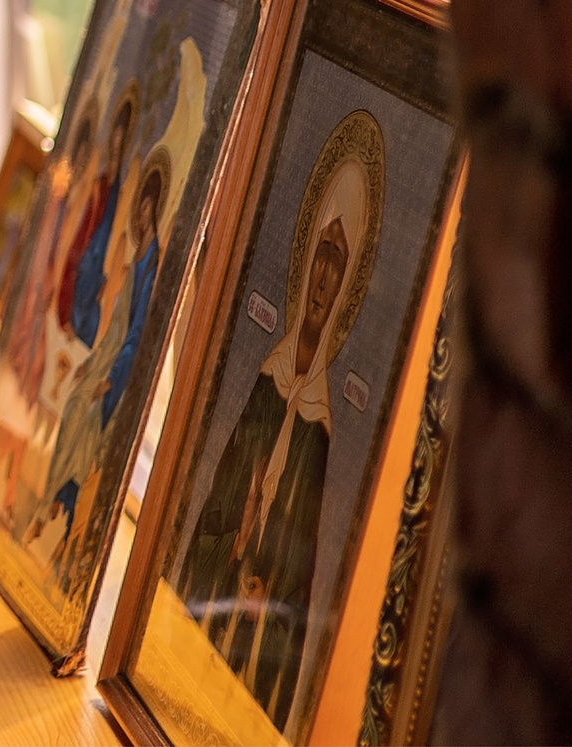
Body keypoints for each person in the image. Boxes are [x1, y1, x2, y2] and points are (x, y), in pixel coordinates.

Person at [176, 111, 382, 735]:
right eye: (320, 256)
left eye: (337, 265)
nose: (323, 278)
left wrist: (266, 579)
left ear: (348, 286)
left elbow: (300, 586)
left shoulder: (320, 428)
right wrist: (233, 545)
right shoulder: (266, 386)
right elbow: (210, 508)